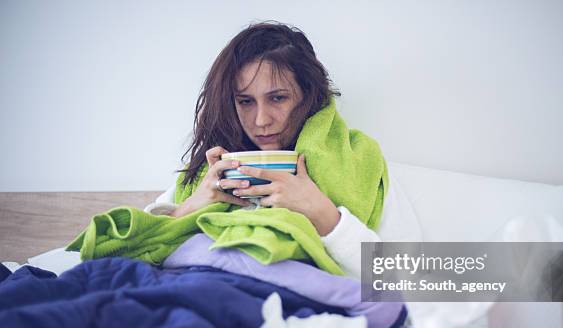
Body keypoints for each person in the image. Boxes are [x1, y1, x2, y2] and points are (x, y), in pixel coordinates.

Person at [145, 21, 420, 278]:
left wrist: (326, 217)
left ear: (309, 95)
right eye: (245, 101)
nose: (261, 120)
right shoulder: (212, 169)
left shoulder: (360, 162)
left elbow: (414, 279)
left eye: (277, 98)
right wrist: (192, 206)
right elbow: (136, 255)